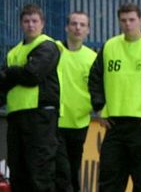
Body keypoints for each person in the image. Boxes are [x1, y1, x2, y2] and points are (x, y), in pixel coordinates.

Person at [88, 3, 141, 192]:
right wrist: (99, 107)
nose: (128, 24)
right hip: (115, 125)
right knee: (109, 183)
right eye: (123, 20)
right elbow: (95, 78)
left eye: (132, 20)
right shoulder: (110, 46)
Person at [0, 3, 60, 191]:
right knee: (17, 170)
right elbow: (1, 82)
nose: (30, 25)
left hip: (40, 116)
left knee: (39, 171)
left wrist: (13, 72)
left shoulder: (47, 46)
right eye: (26, 21)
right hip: (16, 115)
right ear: (21, 24)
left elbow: (33, 75)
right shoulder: (13, 52)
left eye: (34, 21)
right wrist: (19, 72)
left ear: (42, 24)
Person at [55, 11, 97, 192]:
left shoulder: (92, 57)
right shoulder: (55, 50)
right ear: (66, 27)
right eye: (74, 24)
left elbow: (97, 88)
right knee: (61, 171)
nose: (77, 28)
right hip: (55, 120)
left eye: (82, 25)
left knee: (72, 169)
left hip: (80, 121)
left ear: (88, 30)